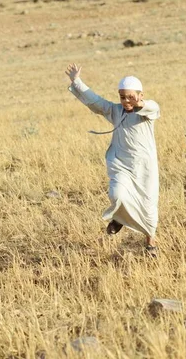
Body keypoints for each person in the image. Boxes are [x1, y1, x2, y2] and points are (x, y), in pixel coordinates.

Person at [65, 63, 160, 256]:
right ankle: (119, 217)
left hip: (144, 167)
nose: (126, 101)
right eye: (122, 97)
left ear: (140, 95)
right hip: (121, 165)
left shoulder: (147, 111)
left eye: (131, 97)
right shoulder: (115, 111)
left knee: (148, 205)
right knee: (117, 194)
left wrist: (138, 104)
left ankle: (151, 242)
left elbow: (152, 107)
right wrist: (77, 82)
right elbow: (95, 102)